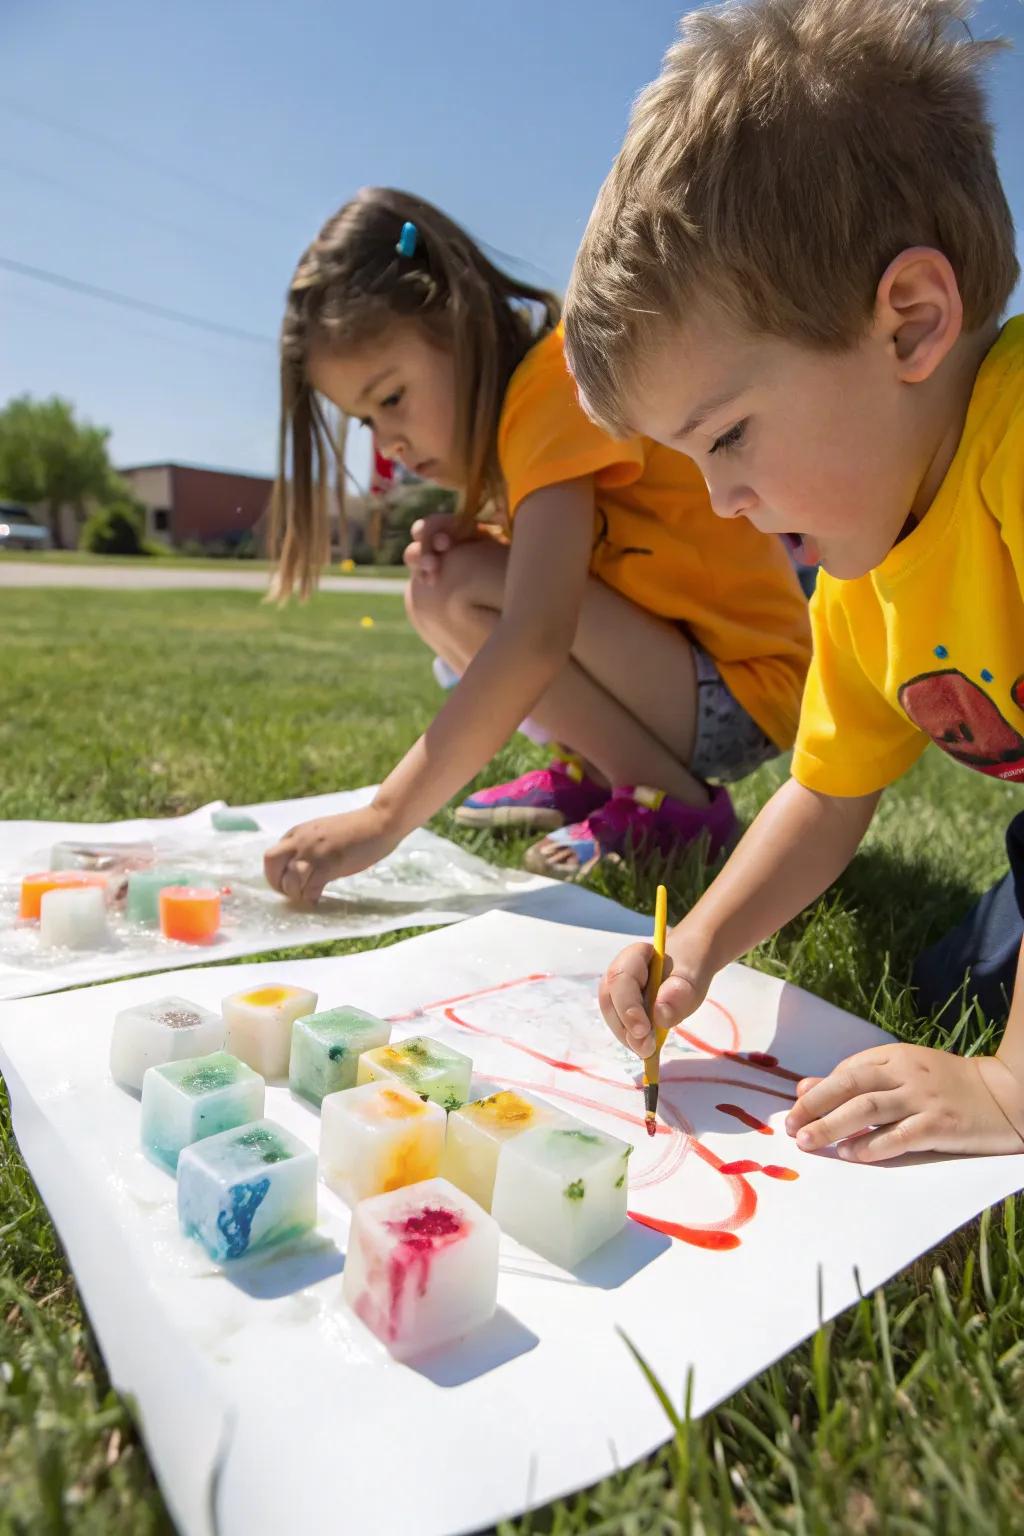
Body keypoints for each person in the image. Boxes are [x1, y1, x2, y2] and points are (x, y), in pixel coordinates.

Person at [566, 0, 1024, 1158]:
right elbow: (823, 794)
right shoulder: (862, 563)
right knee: (956, 982)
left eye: (727, 439)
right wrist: (699, 948)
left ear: (911, 324)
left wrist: (1013, 1091)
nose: (722, 502)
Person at [264, 187, 810, 896]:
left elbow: (538, 634)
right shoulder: (531, 410)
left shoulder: (553, 385)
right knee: (444, 581)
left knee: (462, 583)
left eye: (391, 398)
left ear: (460, 324)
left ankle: (672, 804)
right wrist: (489, 539)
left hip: (742, 692)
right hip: (699, 684)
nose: (388, 443)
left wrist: (384, 817)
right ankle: (604, 773)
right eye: (365, 421)